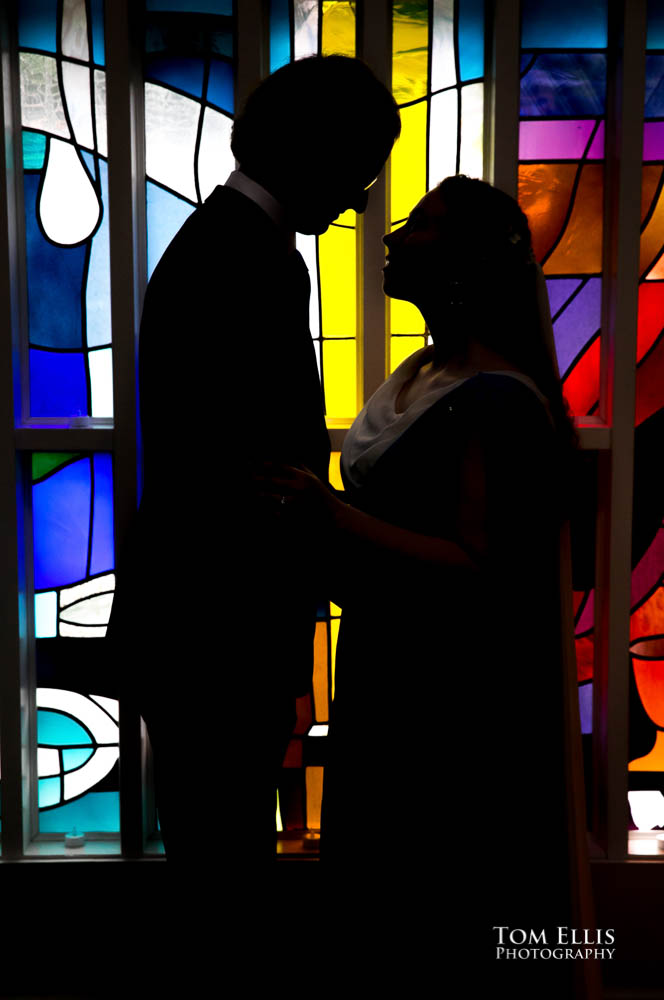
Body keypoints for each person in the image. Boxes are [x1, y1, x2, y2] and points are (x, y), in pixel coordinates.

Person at [261, 175, 580, 991]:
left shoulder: (496, 402)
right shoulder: (420, 371)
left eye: (421, 228)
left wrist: (332, 518)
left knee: (435, 894)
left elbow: (482, 565)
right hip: (384, 662)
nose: (392, 237)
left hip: (445, 694)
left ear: (469, 265)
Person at [106, 55, 400, 874]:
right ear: (317, 154)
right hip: (217, 625)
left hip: (202, 617)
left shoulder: (229, 242)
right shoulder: (247, 257)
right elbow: (251, 464)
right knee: (223, 849)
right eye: (360, 169)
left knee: (218, 840)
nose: (361, 196)